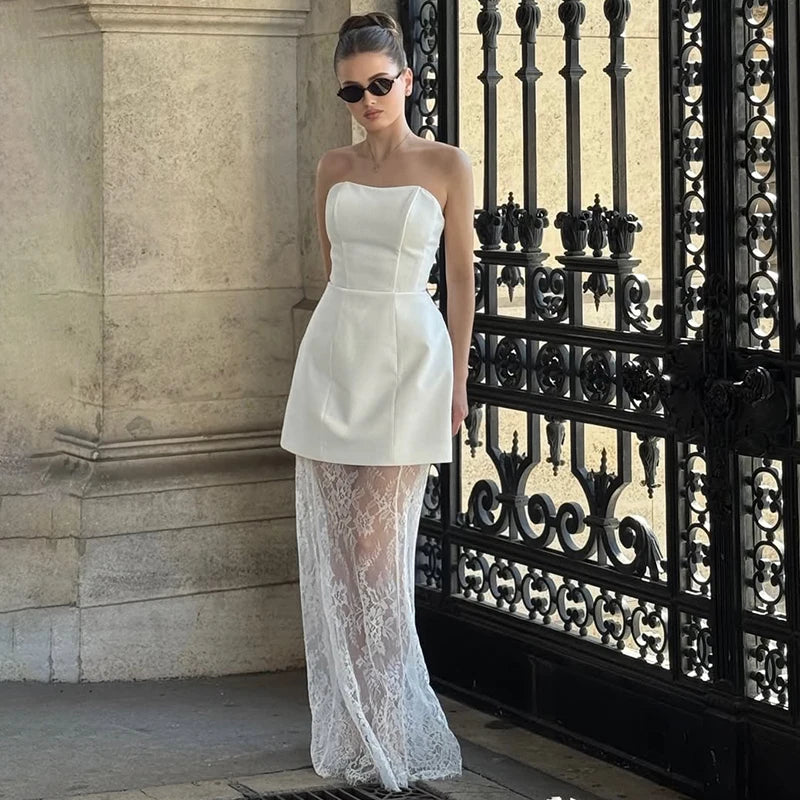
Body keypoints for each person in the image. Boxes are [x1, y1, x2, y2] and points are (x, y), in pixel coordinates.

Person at [279, 10, 475, 793]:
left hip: (409, 365)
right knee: (340, 558)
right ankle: (359, 732)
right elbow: (334, 270)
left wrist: (458, 377)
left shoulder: (448, 165)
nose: (367, 101)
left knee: (376, 558)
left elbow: (460, 281)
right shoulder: (331, 166)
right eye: (352, 91)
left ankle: (390, 731)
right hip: (335, 359)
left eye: (379, 84)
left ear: (409, 79)